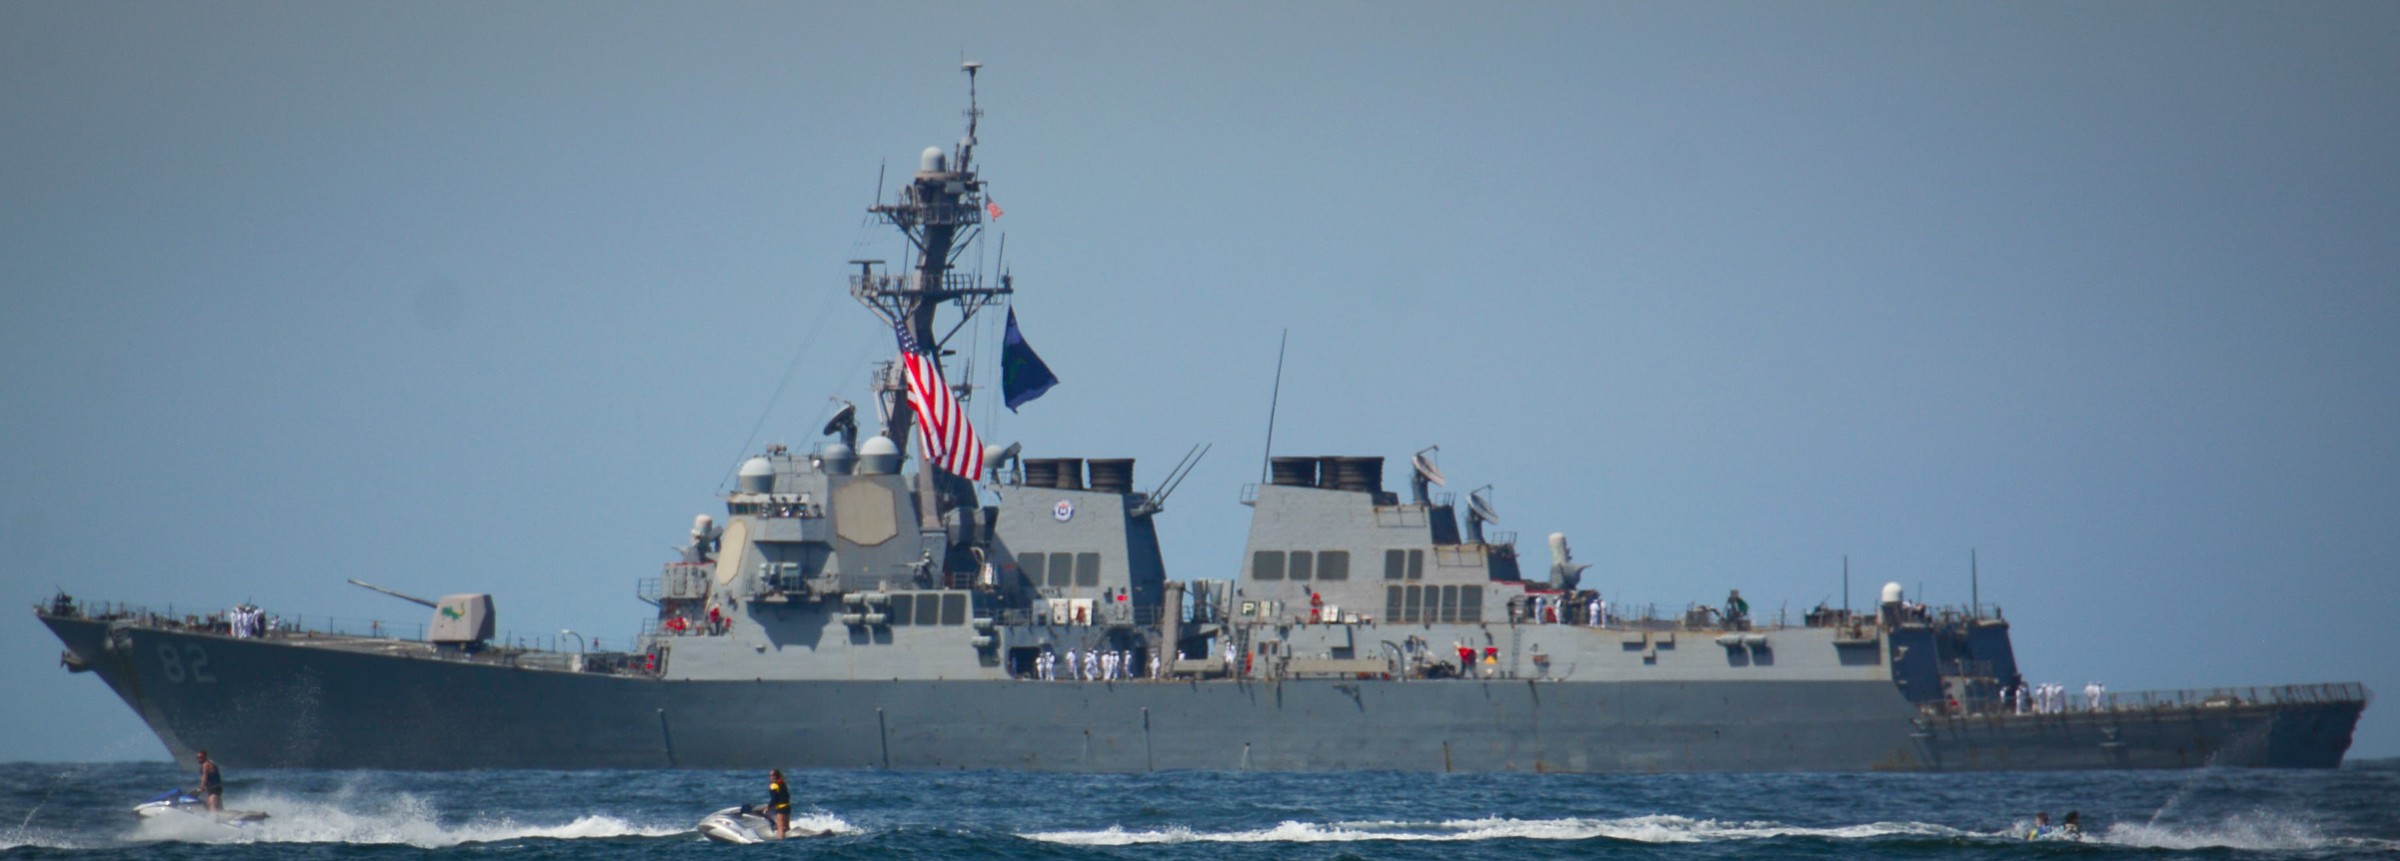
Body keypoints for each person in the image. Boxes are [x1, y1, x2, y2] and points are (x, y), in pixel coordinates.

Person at [766, 769, 791, 839]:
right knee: (787, 827)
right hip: (787, 807)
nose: (770, 777)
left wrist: (768, 808)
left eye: (772, 775)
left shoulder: (773, 785)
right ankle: (791, 842)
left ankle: (781, 845)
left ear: (775, 776)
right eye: (770, 775)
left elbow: (774, 799)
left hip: (781, 808)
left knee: (780, 828)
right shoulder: (783, 783)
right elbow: (787, 795)